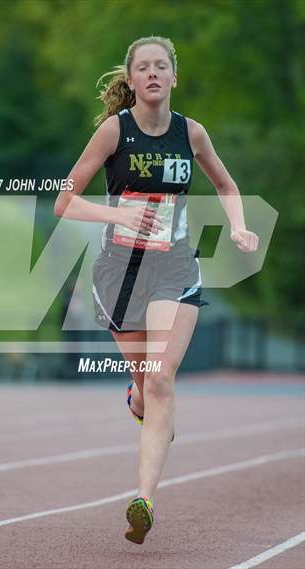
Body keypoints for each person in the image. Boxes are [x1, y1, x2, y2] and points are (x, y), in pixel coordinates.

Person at [54, 35, 259, 545]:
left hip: (173, 268)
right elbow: (64, 201)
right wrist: (115, 211)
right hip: (121, 273)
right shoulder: (112, 132)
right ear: (132, 78)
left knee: (163, 377)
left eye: (160, 66)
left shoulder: (192, 133)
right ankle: (139, 397)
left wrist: (237, 226)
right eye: (142, 67)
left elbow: (227, 186)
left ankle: (143, 500)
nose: (151, 73)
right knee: (147, 390)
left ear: (173, 77)